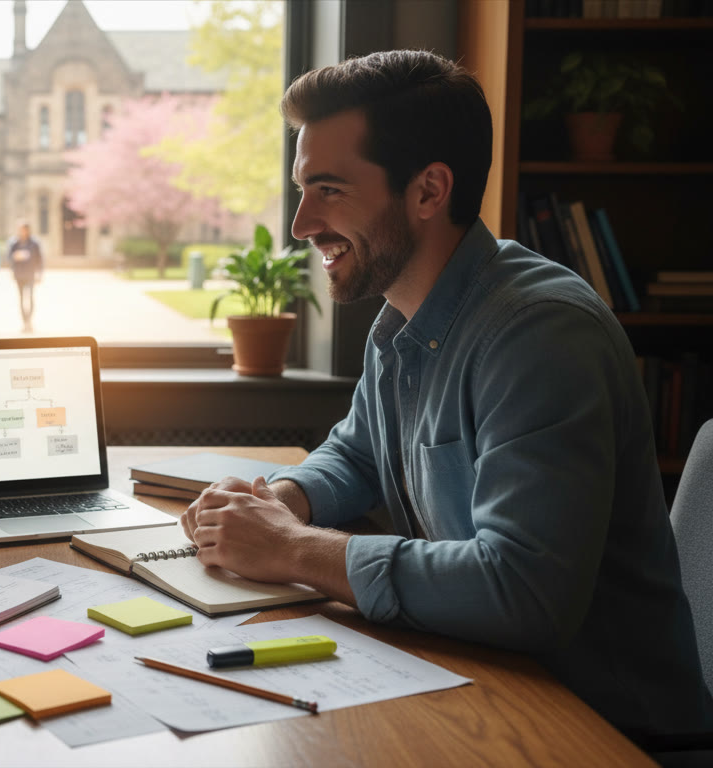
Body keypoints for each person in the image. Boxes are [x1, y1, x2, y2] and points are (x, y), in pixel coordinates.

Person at [179, 50, 713, 744]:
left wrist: (294, 551)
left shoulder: (541, 337)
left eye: (330, 190)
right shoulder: (401, 319)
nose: (301, 224)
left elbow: (522, 590)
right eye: (302, 189)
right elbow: (360, 454)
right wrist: (284, 500)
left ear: (429, 191)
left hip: (602, 732)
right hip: (488, 681)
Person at [6, 220, 42, 332]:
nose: (23, 232)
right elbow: (8, 257)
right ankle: (24, 322)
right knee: (21, 299)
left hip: (30, 274)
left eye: (24, 230)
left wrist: (39, 273)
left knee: (30, 298)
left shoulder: (34, 243)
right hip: (19, 274)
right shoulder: (14, 243)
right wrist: (15, 257)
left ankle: (29, 320)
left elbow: (39, 259)